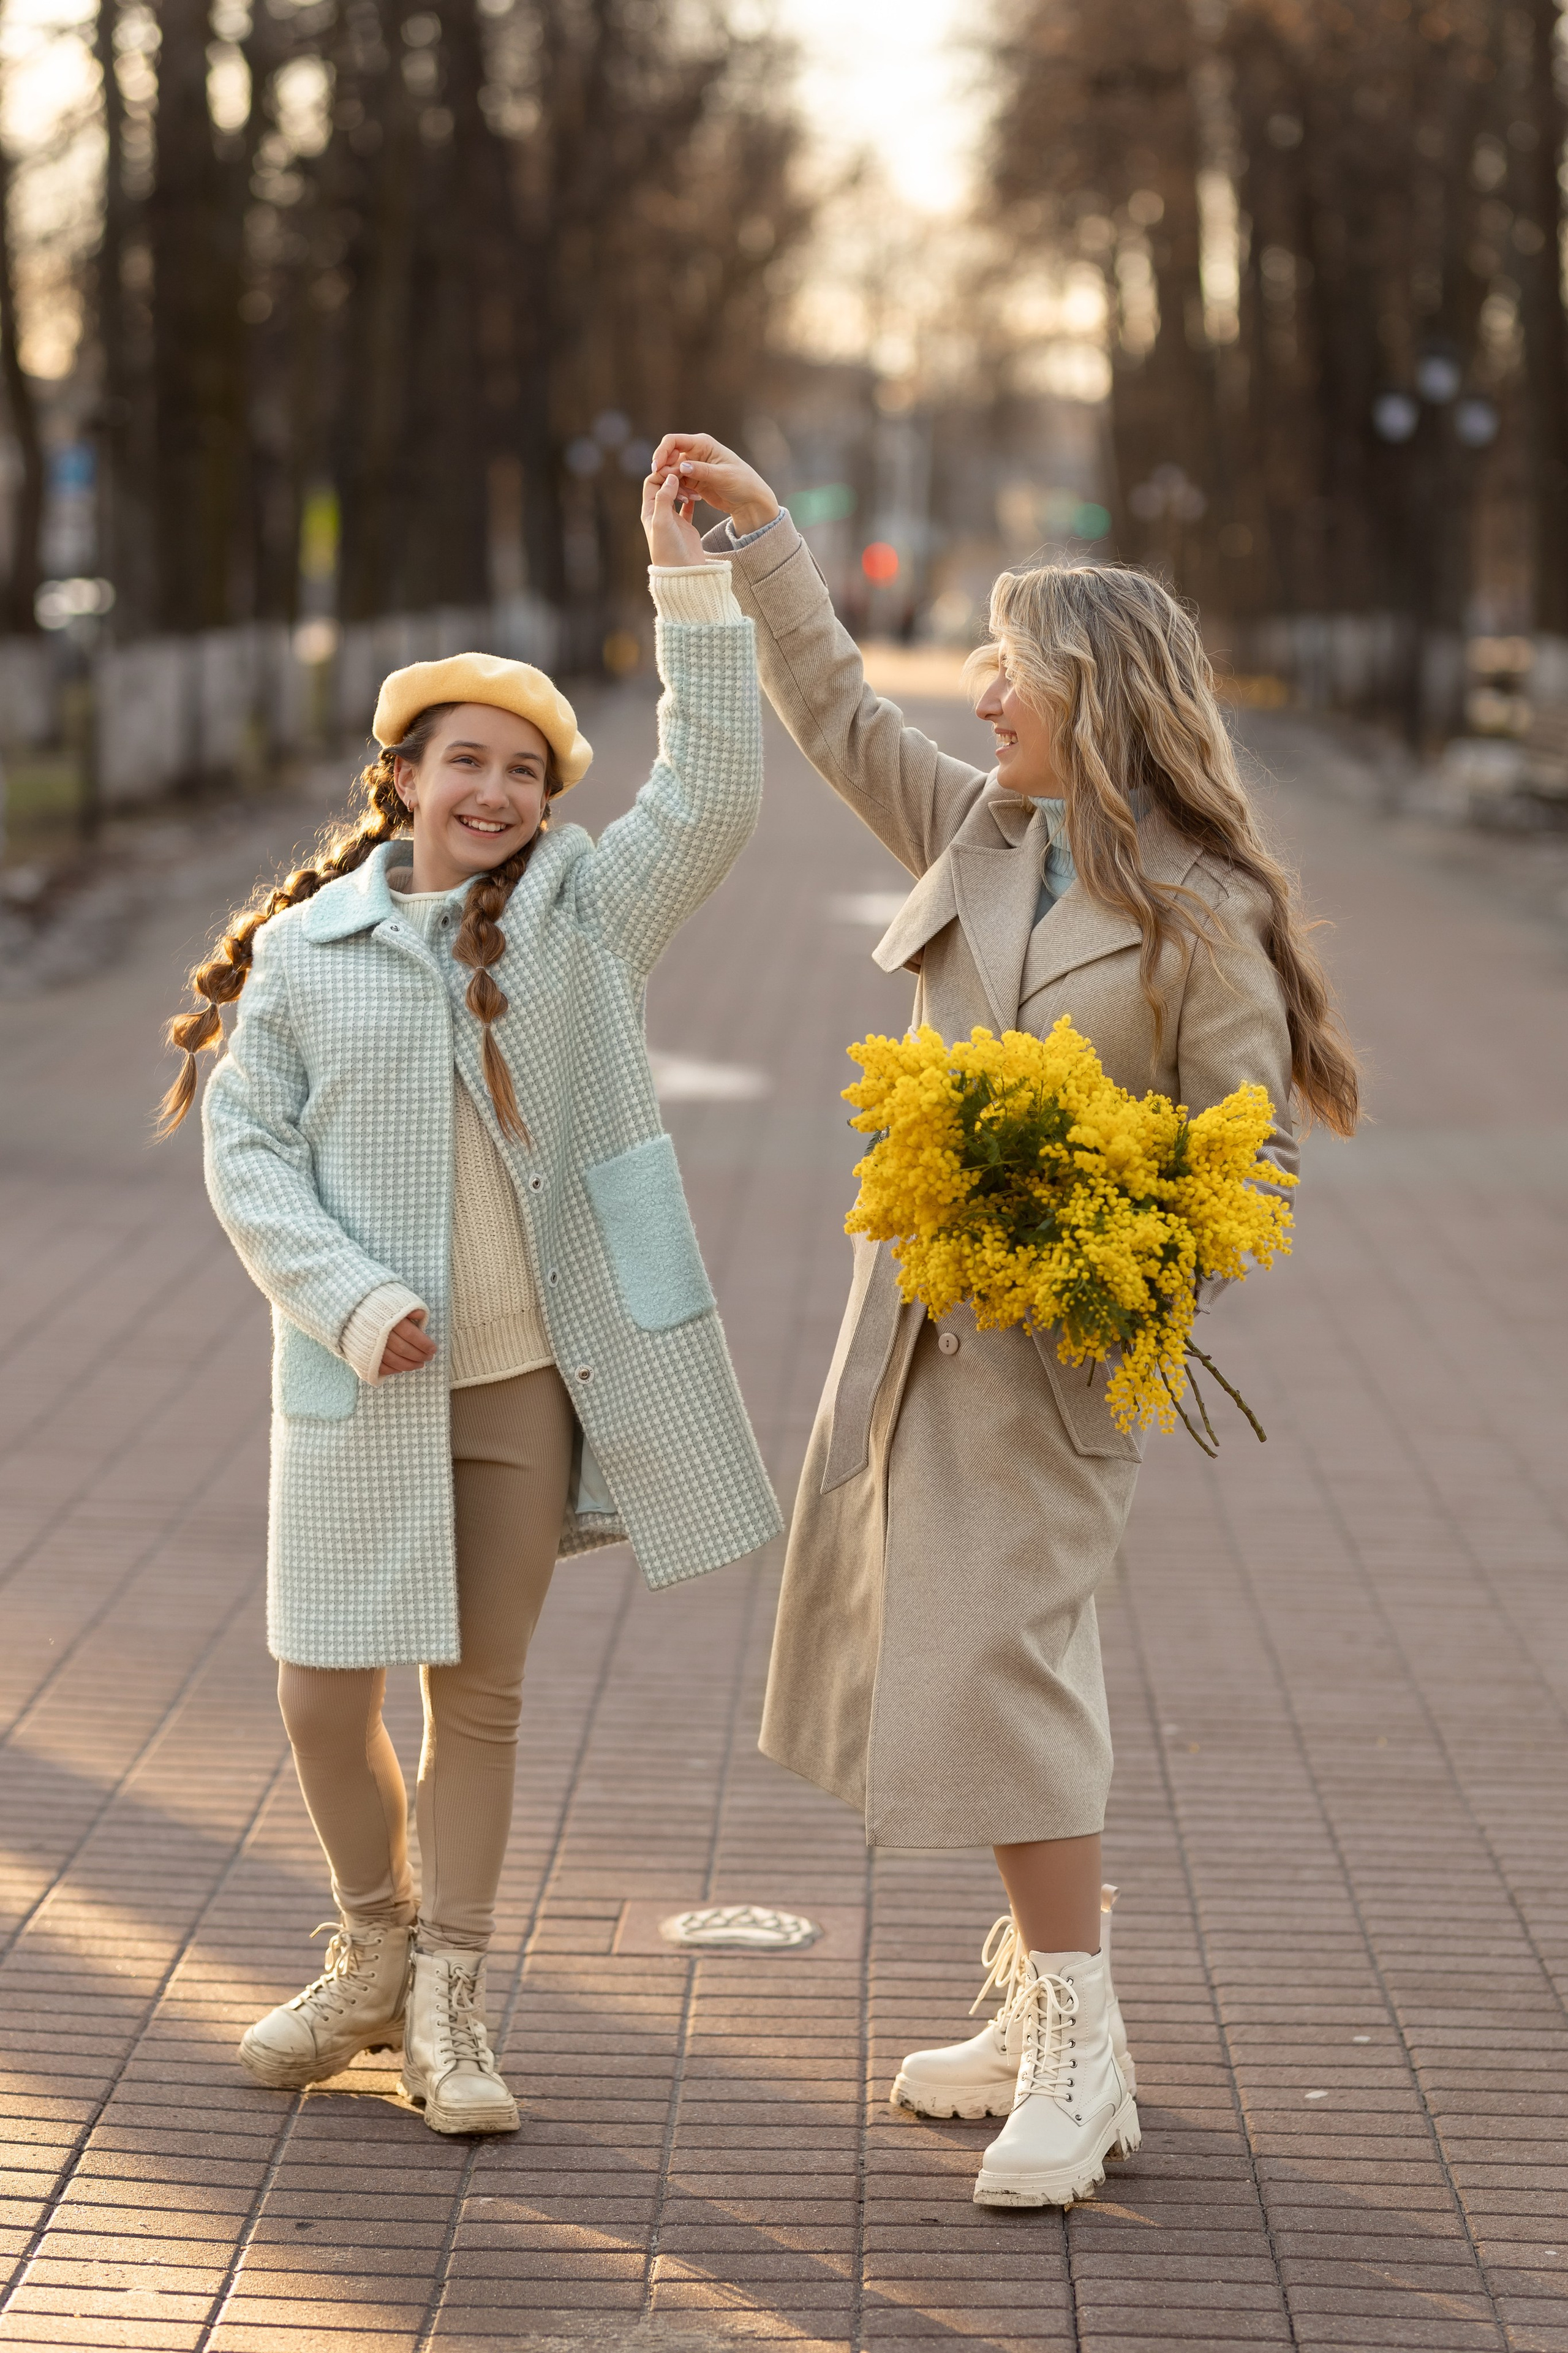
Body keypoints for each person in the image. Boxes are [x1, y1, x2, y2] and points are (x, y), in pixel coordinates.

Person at [650, 429, 1360, 2209]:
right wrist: (754, 544)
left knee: (1004, 1659)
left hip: (1064, 1348)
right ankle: (1028, 1990)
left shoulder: (1201, 914)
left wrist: (1088, 1229)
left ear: (1095, 694)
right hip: (910, 1324)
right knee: (973, 1653)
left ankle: (1085, 2044)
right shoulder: (979, 835)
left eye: (1008, 664)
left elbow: (1247, 1157)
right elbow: (827, 709)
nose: (977, 690)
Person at [156, 466, 780, 2136]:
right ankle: (366, 1956)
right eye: (465, 761)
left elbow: (713, 794)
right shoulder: (310, 950)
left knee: (477, 1695)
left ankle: (450, 1995)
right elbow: (249, 1151)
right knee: (318, 1686)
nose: (492, 791)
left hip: (522, 1380)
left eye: (524, 771)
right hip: (357, 1377)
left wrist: (689, 586)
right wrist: (352, 1301)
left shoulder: (584, 916)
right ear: (403, 777)